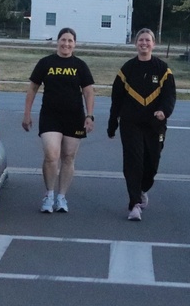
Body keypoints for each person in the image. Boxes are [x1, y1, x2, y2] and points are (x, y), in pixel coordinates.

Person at [22, 27, 96, 213]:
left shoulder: (80, 65)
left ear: (75, 44)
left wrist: (89, 115)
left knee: (68, 157)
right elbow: (33, 88)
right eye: (63, 40)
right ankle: (49, 194)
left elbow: (88, 91)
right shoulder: (46, 63)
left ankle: (62, 197)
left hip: (74, 117)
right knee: (51, 155)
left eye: (70, 41)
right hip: (50, 116)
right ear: (58, 41)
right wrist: (27, 113)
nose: (66, 44)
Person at [107, 28, 176, 221]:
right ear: (136, 43)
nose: (144, 43)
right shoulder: (126, 69)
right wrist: (112, 124)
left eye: (148, 40)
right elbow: (116, 99)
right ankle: (134, 204)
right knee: (133, 161)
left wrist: (164, 111)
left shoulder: (163, 70)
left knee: (151, 162)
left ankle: (143, 189)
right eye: (141, 40)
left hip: (155, 124)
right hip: (131, 123)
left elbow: (169, 95)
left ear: (153, 44)